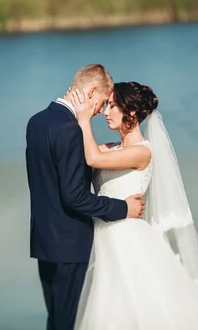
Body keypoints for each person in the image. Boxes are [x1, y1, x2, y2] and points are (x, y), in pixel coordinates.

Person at [68, 82, 198, 329]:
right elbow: (79, 155)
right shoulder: (110, 148)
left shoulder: (142, 152)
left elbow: (93, 158)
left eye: (112, 106)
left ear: (131, 113)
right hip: (102, 239)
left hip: (127, 239)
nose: (105, 112)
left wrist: (83, 120)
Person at [25, 64, 146, 330]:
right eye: (103, 102)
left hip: (45, 244)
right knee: (70, 323)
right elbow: (75, 197)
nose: (101, 111)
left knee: (57, 320)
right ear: (91, 92)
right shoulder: (70, 130)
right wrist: (123, 208)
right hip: (71, 246)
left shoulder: (37, 122)